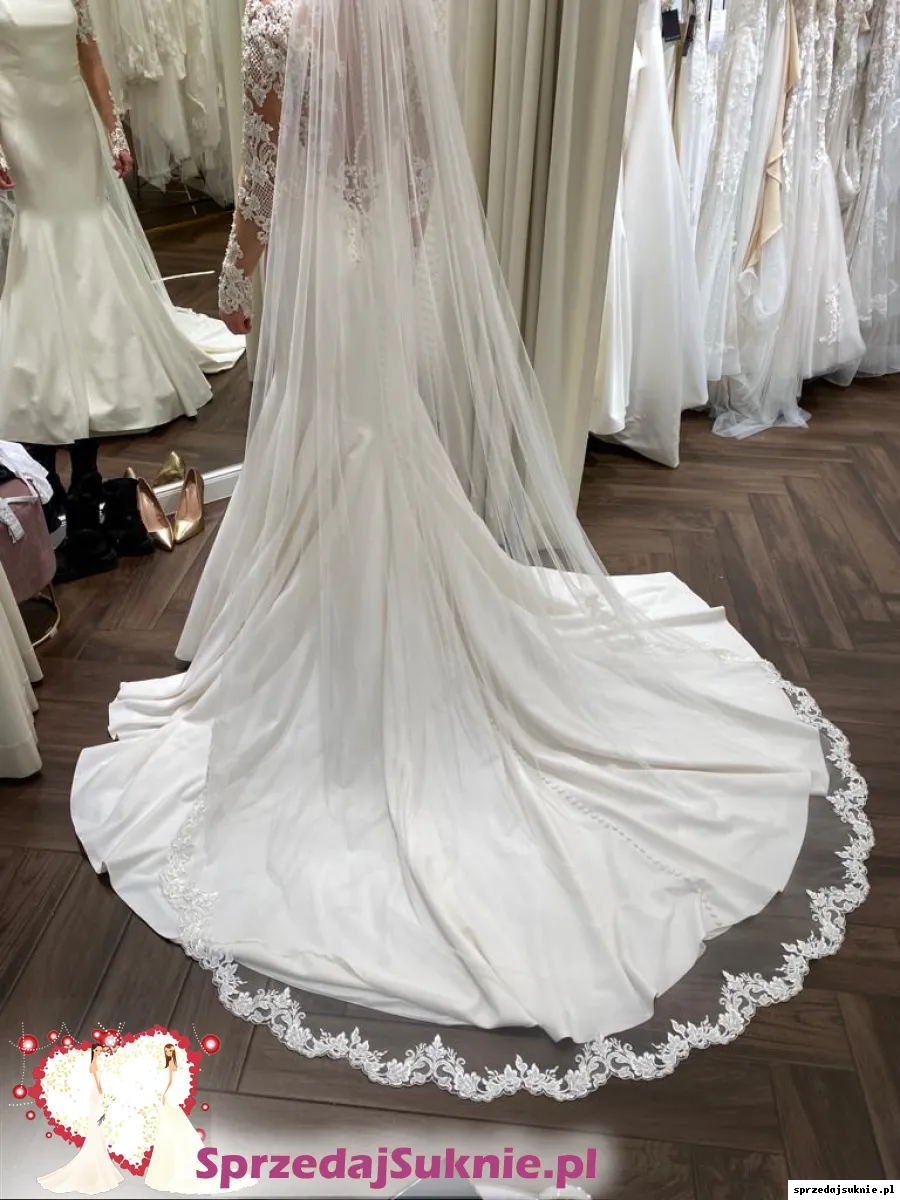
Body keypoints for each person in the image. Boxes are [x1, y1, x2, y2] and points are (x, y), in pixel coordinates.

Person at [71, 0, 841, 1052]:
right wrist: (395, 246)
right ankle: (371, 606)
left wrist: (242, 273)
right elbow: (425, 173)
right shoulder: (406, 16)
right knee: (379, 442)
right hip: (386, 259)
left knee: (327, 440)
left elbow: (269, 173)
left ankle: (330, 635)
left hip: (318, 264)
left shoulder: (273, 20)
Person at [0, 0, 242, 580]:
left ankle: (96, 371)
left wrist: (111, 127)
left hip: (71, 116)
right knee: (44, 232)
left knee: (86, 234)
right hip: (18, 117)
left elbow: (89, 55)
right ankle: (45, 378)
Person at [37, 1043, 123, 1195]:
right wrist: (102, 1093)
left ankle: (100, 1159)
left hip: (97, 1095)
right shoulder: (93, 1064)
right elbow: (96, 1082)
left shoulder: (98, 1063)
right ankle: (95, 1161)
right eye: (97, 1050)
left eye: (100, 1050)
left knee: (99, 1127)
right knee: (97, 1126)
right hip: (96, 1095)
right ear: (93, 1051)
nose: (99, 1052)